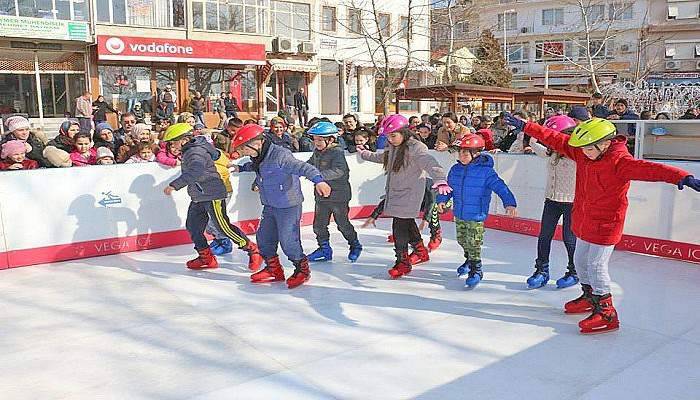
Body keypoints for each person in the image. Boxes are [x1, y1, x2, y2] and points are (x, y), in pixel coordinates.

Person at [505, 113, 700, 334]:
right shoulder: (584, 154)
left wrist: (683, 177)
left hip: (606, 225)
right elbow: (555, 139)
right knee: (580, 261)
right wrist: (527, 126)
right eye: (584, 148)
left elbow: (652, 169)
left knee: (597, 266)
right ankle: (590, 297)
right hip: (584, 221)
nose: (584, 152)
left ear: (605, 144)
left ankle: (607, 313)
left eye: (589, 148)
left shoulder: (621, 163)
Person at [229, 124, 332, 289]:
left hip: (288, 204)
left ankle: (302, 270)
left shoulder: (280, 155)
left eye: (244, 149)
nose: (243, 153)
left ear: (256, 143)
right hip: (270, 204)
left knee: (288, 240)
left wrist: (319, 180)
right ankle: (273, 269)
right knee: (264, 238)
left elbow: (303, 167)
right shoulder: (259, 155)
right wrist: (241, 167)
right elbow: (259, 166)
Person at [357, 114, 450, 279]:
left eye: (393, 135)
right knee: (407, 224)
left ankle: (402, 262)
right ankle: (421, 251)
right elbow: (382, 157)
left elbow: (429, 162)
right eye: (388, 136)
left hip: (410, 194)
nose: (390, 139)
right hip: (397, 193)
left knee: (399, 227)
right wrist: (364, 154)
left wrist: (440, 179)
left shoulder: (416, 147)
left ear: (404, 132)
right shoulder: (394, 148)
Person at [162, 123, 263, 272]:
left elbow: (195, 171)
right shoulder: (193, 149)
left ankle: (253, 250)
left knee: (223, 227)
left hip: (213, 194)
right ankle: (206, 257)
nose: (172, 146)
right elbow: (215, 154)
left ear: (184, 140)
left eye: (173, 142)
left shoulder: (195, 153)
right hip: (199, 195)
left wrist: (174, 185)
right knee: (193, 226)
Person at [436, 134, 517, 288]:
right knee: (462, 240)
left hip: (476, 215)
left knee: (473, 243)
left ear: (476, 154)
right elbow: (448, 188)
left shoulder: (486, 172)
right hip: (459, 213)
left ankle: (476, 269)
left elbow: (501, 187)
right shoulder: (455, 169)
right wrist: (442, 200)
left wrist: (509, 203)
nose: (461, 155)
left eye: (466, 152)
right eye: (460, 152)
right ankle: (469, 259)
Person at [526, 115, 578, 289]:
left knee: (569, 239)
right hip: (551, 201)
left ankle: (574, 271)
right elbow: (534, 143)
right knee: (544, 236)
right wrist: (540, 128)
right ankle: (541, 270)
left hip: (571, 203)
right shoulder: (552, 153)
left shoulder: (577, 156)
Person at [304, 121, 362, 263]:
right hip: (322, 195)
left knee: (342, 224)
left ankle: (355, 245)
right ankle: (324, 249)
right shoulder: (317, 152)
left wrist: (317, 176)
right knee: (318, 225)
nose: (316, 142)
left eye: (319, 139)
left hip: (338, 195)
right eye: (314, 139)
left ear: (330, 139)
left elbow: (339, 171)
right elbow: (309, 164)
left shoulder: (337, 152)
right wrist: (298, 169)